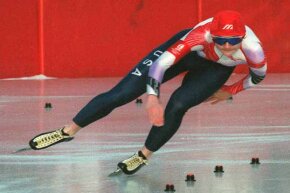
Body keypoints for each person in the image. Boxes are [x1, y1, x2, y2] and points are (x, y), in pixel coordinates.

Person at [29, 10, 267, 175]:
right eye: (220, 40)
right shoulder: (198, 35)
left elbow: (258, 76)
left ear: (243, 37)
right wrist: (152, 97)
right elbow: (161, 64)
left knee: (178, 105)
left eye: (233, 41)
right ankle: (67, 131)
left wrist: (231, 90)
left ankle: (143, 155)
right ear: (211, 34)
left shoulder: (253, 49)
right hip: (188, 54)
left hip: (214, 70)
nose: (226, 46)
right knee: (122, 93)